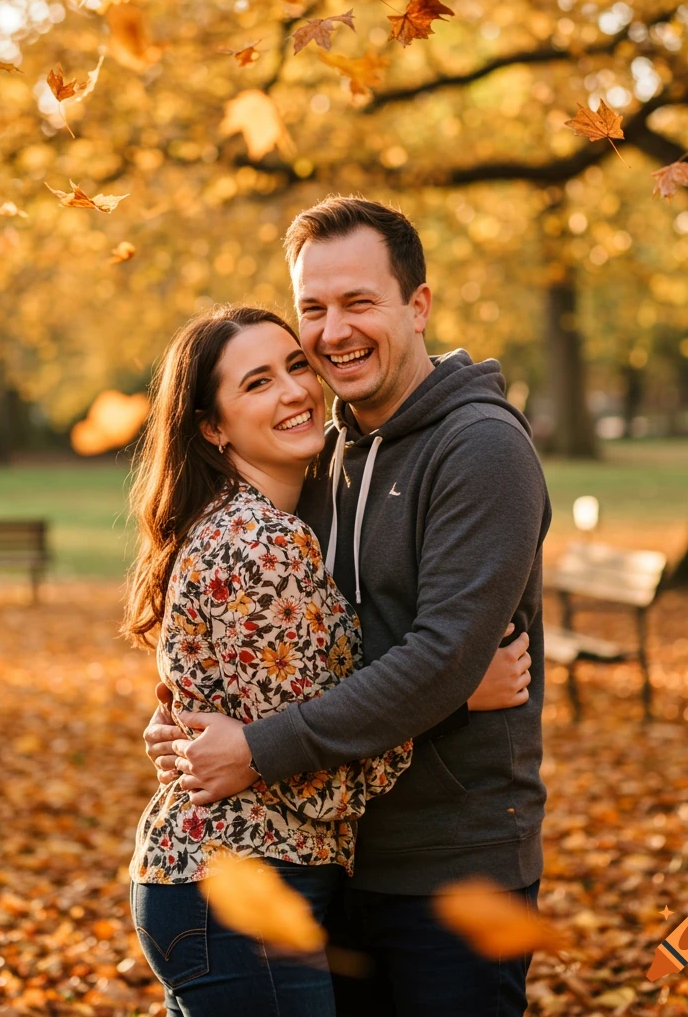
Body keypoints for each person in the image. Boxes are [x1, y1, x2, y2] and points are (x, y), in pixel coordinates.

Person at [144, 197, 550, 1016]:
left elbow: (442, 655)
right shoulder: (323, 456)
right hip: (333, 856)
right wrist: (192, 718)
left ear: (418, 305)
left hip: (452, 864)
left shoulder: (481, 448)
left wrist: (256, 746)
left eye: (359, 302)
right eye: (314, 310)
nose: (333, 334)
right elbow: (290, 644)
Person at [122, 304, 415, 1017]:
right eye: (256, 383)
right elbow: (314, 781)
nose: (293, 391)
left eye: (295, 366)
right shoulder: (259, 542)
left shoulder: (258, 523)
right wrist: (459, 692)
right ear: (212, 427)